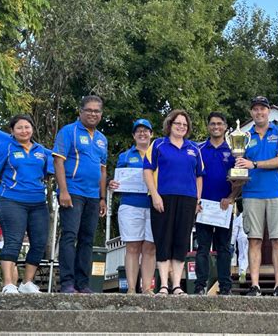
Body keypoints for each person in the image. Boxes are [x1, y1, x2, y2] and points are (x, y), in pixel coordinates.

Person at [234, 96, 278, 297]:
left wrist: (255, 164)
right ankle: (255, 285)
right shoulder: (245, 136)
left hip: (277, 193)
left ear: (269, 112)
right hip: (251, 194)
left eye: (263, 109)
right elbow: (240, 163)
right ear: (251, 113)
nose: (259, 113)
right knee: (254, 240)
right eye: (255, 109)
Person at [143, 109, 204, 296]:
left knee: (181, 242)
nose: (181, 127)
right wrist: (154, 195)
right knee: (163, 241)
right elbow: (147, 171)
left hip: (187, 200)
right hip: (163, 198)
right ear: (170, 124)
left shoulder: (194, 149)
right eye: (178, 123)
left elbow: (199, 176)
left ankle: (177, 285)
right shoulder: (158, 145)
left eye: (185, 124)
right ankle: (163, 285)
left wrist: (197, 199)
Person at [0, 114, 50, 293]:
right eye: (19, 127)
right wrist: (7, 191)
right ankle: (8, 284)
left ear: (32, 129)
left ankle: (27, 283)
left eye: (27, 127)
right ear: (12, 131)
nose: (24, 130)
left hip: (38, 202)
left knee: (38, 242)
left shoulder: (41, 151)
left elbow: (44, 174)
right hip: (11, 201)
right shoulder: (4, 148)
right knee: (13, 241)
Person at [53, 95, 108, 293]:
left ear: (101, 114)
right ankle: (67, 282)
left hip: (93, 196)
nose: (93, 114)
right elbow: (58, 161)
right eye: (89, 110)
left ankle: (82, 283)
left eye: (97, 111)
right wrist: (64, 191)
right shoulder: (69, 131)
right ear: (80, 111)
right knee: (69, 235)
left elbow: (102, 170)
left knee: (87, 239)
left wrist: (102, 198)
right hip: (73, 192)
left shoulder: (102, 139)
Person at [109, 119, 156, 294]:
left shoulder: (158, 154)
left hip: (153, 205)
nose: (142, 133)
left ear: (151, 134)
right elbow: (118, 179)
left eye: (146, 130)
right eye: (138, 131)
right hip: (130, 204)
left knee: (150, 247)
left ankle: (147, 288)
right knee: (133, 246)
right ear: (133, 135)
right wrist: (113, 184)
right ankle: (130, 288)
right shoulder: (125, 156)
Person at [194, 112, 236, 296]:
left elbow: (240, 179)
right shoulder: (199, 149)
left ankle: (225, 286)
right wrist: (195, 201)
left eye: (219, 123)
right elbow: (192, 177)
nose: (216, 127)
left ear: (225, 126)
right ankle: (200, 285)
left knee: (224, 249)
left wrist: (232, 196)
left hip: (224, 207)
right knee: (202, 248)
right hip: (203, 207)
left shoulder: (234, 150)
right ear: (208, 126)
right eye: (212, 124)